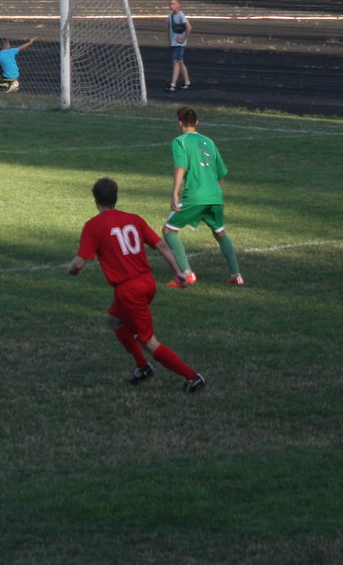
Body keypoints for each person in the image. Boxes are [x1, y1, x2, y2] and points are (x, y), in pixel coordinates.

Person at [68, 177, 206, 392]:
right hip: (147, 282)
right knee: (113, 320)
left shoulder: (93, 226)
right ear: (116, 198)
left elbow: (79, 263)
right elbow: (160, 244)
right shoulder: (134, 218)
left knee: (149, 341)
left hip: (129, 290)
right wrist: (177, 272)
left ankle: (192, 377)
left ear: (95, 199)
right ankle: (142, 367)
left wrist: (72, 269)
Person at [162, 107, 244, 286]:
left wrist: (175, 193)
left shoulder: (179, 141)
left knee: (169, 231)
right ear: (197, 122)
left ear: (179, 123)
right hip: (215, 195)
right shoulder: (209, 142)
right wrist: (215, 194)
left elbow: (180, 167)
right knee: (219, 232)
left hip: (195, 196)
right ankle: (236, 275)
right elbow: (221, 174)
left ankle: (186, 273)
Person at [167, 0, 192, 92]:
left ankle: (173, 85)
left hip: (179, 44)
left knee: (176, 62)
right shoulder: (170, 16)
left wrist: (184, 39)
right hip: (174, 43)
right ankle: (187, 82)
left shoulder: (181, 15)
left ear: (178, 5)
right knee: (180, 63)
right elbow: (168, 28)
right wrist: (169, 40)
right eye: (170, 4)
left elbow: (189, 27)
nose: (171, 6)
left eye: (173, 4)